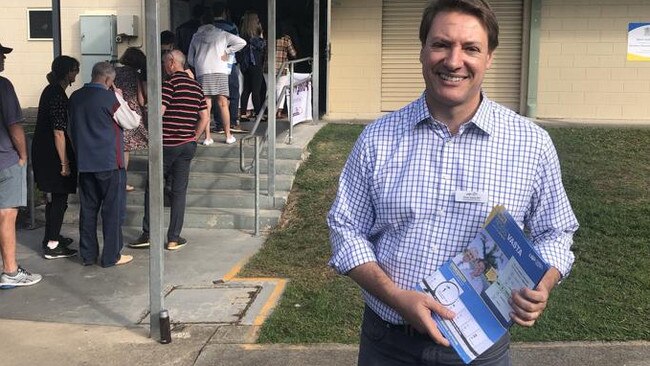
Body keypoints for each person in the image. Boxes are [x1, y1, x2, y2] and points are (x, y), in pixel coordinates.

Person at [327, 1, 579, 365]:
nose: (453, 60)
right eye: (441, 44)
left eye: (471, 48)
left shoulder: (531, 144)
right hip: (389, 343)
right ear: (422, 50)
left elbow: (556, 231)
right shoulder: (377, 138)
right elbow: (345, 227)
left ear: (489, 57)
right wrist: (397, 297)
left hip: (482, 351)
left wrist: (544, 283)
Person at [128, 50, 209, 251]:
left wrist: (151, 127)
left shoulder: (169, 84)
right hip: (187, 146)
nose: (164, 66)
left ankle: (148, 233)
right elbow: (205, 117)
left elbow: (159, 113)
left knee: (152, 188)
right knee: (179, 192)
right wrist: (193, 137)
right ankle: (173, 238)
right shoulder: (196, 87)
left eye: (165, 62)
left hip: (166, 144)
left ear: (172, 63)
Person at [68, 61, 133, 267]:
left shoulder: (75, 97)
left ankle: (87, 255)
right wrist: (120, 97)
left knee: (88, 210)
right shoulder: (110, 98)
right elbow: (132, 121)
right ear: (108, 79)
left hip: (85, 162)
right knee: (112, 212)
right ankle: (111, 256)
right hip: (109, 162)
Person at [0, 42, 42, 288]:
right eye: (1, 55)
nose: (4, 58)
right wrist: (23, 155)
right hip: (5, 159)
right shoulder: (3, 86)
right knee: (7, 215)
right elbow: (14, 124)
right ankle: (11, 271)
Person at [31, 55, 80, 260]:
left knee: (56, 198)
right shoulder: (57, 94)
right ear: (68, 72)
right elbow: (59, 131)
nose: (76, 73)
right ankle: (52, 245)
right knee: (59, 197)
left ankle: (52, 236)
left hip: (43, 151)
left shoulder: (50, 90)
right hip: (52, 154)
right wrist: (65, 163)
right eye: (75, 70)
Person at [188, 10, 245, 146]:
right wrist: (227, 51)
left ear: (201, 22)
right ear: (213, 22)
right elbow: (241, 42)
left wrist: (198, 64)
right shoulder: (222, 34)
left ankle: (207, 137)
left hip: (203, 72)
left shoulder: (196, 37)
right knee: (223, 103)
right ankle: (228, 135)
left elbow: (190, 59)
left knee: (206, 105)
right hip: (220, 70)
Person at [115, 47, 148, 192]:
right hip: (131, 113)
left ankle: (117, 179)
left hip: (116, 110)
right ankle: (122, 181)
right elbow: (141, 99)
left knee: (120, 146)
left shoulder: (114, 72)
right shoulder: (136, 75)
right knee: (127, 148)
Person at [213, 2, 242, 132]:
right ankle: (233, 121)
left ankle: (219, 123)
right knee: (234, 93)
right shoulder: (231, 26)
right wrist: (228, 52)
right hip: (229, 64)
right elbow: (238, 42)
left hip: (213, 65)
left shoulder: (209, 27)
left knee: (217, 95)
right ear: (224, 12)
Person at [264, 21, 297, 119]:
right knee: (280, 89)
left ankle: (269, 110)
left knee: (269, 89)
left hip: (267, 67)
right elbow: (293, 54)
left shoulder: (267, 37)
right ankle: (278, 112)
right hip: (282, 68)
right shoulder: (286, 39)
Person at [238, 11, 266, 121]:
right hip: (255, 65)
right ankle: (259, 113)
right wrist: (261, 35)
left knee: (247, 89)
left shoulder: (243, 35)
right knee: (258, 89)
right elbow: (261, 45)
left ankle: (243, 113)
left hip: (246, 66)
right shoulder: (254, 38)